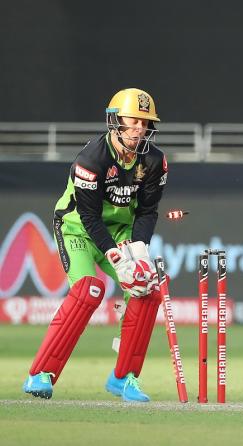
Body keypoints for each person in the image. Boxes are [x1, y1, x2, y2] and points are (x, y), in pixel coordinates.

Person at [22, 88, 169, 402]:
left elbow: (147, 211)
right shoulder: (92, 159)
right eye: (133, 121)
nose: (139, 129)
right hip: (78, 229)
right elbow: (89, 215)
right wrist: (116, 256)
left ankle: (123, 377)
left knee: (147, 290)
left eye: (145, 122)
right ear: (115, 121)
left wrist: (138, 251)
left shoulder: (155, 161)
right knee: (89, 289)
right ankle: (40, 373)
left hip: (121, 231)